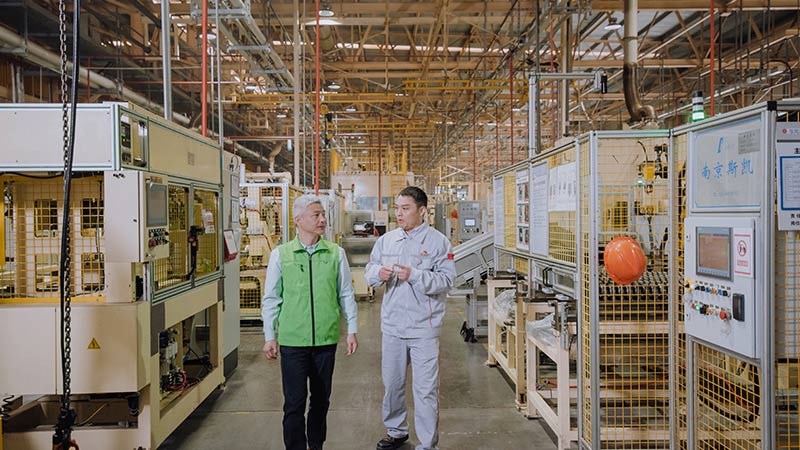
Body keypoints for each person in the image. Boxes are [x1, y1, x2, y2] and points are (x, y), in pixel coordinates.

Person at [262, 194, 359, 450]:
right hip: (293, 342)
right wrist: (269, 335)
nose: (323, 219)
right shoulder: (280, 255)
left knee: (321, 401)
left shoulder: (335, 253)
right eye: (316, 215)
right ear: (299, 220)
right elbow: (271, 298)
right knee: (294, 404)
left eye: (323, 214)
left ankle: (316, 445)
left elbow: (346, 293)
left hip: (326, 340)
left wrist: (352, 330)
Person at [366, 186, 456, 450]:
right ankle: (396, 431)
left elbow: (447, 280)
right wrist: (377, 275)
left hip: (423, 328)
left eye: (405, 209)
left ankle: (428, 444)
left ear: (422, 211)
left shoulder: (439, 242)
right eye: (397, 208)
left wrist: (415, 275)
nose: (399, 214)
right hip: (393, 326)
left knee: (425, 390)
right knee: (392, 383)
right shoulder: (387, 240)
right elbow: (370, 269)